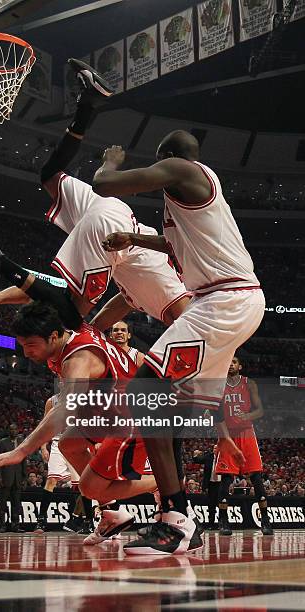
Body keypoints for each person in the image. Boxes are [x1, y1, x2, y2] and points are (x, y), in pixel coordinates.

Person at [92, 98, 264, 553]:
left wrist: (110, 162)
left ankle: (175, 518)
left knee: (145, 390)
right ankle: (179, 519)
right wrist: (134, 238)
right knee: (172, 409)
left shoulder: (185, 171)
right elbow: (173, 242)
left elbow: (106, 184)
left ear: (170, 157)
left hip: (223, 301)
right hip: (231, 301)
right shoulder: (194, 198)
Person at [0, 60, 189, 334]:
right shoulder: (181, 300)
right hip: (115, 234)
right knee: (71, 318)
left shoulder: (142, 291)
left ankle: (88, 104)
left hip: (113, 212)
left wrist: (1, 297)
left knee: (50, 175)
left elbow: (105, 315)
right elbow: (190, 329)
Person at [0, 303, 164, 545]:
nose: (26, 353)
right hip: (108, 410)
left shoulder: (78, 359)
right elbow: (97, 311)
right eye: (23, 346)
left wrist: (22, 450)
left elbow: (64, 410)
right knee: (68, 444)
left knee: (89, 489)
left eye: (31, 345)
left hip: (131, 418)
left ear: (53, 336)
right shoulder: (76, 331)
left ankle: (163, 481)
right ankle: (113, 514)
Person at [215, 356, 273, 536]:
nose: (230, 364)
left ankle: (265, 520)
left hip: (247, 434)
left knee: (256, 477)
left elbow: (260, 410)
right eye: (228, 361)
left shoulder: (249, 383)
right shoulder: (218, 386)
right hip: (228, 436)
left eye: (234, 362)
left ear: (240, 366)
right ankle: (223, 520)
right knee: (226, 479)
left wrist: (247, 416)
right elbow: (215, 414)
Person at [34, 395, 93, 535]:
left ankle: (88, 522)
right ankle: (41, 520)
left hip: (76, 443)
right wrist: (43, 447)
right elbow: (45, 426)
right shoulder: (52, 401)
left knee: (82, 485)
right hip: (57, 444)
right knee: (51, 480)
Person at [0, 423, 27, 533]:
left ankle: (15, 526)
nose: (13, 431)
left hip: (17, 477)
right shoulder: (3, 443)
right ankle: (2, 526)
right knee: (2, 503)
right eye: (11, 429)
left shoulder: (22, 443)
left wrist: (24, 478)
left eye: (15, 429)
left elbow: (23, 461)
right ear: (8, 431)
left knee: (16, 504)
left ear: (18, 430)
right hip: (5, 477)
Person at [192, 447, 220, 530]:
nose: (215, 449)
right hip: (211, 484)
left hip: (221, 484)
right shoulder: (208, 457)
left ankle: (222, 524)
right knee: (211, 505)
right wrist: (195, 454)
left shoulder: (223, 457)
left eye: (217, 448)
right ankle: (211, 524)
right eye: (214, 448)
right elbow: (197, 460)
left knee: (221, 504)